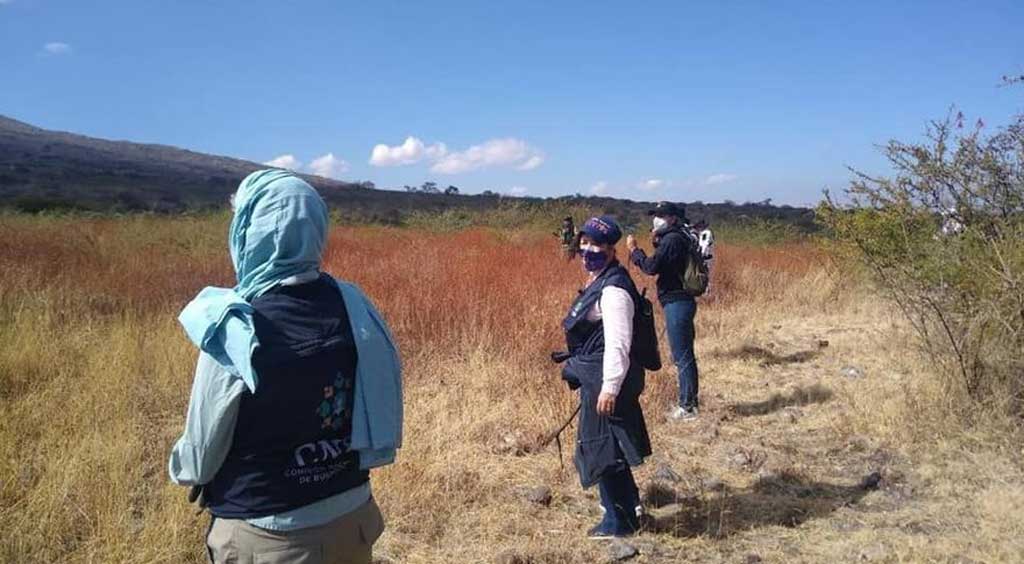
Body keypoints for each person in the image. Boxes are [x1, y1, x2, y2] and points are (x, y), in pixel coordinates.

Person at [168, 169, 403, 564]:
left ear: (248, 231)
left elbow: (200, 455)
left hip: (266, 535)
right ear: (316, 227)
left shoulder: (233, 323)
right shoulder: (356, 306)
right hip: (353, 519)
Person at [560, 216, 652, 538]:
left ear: (613, 250)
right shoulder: (600, 278)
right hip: (597, 379)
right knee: (607, 446)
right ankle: (625, 509)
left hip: (607, 382)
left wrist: (609, 388)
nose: (588, 250)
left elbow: (618, 343)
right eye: (584, 243)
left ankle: (620, 522)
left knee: (603, 449)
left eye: (597, 245)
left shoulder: (614, 291)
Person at [626, 201, 701, 421]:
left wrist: (634, 251)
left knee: (682, 356)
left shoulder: (673, 239)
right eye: (655, 215)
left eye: (661, 215)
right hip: (680, 301)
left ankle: (688, 407)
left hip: (678, 302)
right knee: (683, 353)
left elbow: (650, 267)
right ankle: (689, 401)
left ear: (673, 218)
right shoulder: (677, 237)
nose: (656, 219)